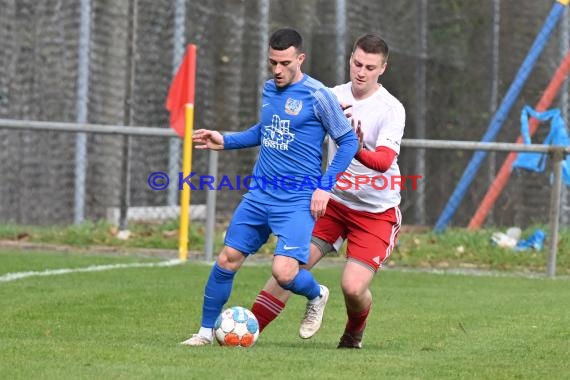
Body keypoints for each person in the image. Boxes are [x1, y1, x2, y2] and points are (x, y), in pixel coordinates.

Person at [181, 28, 359, 346]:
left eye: (284, 63)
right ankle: (205, 333)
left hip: (297, 199)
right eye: (272, 62)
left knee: (284, 273)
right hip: (260, 194)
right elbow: (266, 131)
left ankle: (317, 294)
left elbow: (347, 141)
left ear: (300, 59)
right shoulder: (269, 89)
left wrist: (324, 187)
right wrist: (226, 140)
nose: (277, 70)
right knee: (226, 259)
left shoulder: (319, 96)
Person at [250, 34, 405, 349]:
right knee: (289, 267)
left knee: (352, 287)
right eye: (357, 63)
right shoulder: (329, 97)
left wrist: (351, 143)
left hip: (375, 212)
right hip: (332, 203)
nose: (361, 72)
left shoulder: (391, 109)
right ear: (350, 59)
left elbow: (384, 161)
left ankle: (352, 334)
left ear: (383, 68)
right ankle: (247, 332)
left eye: (370, 67)